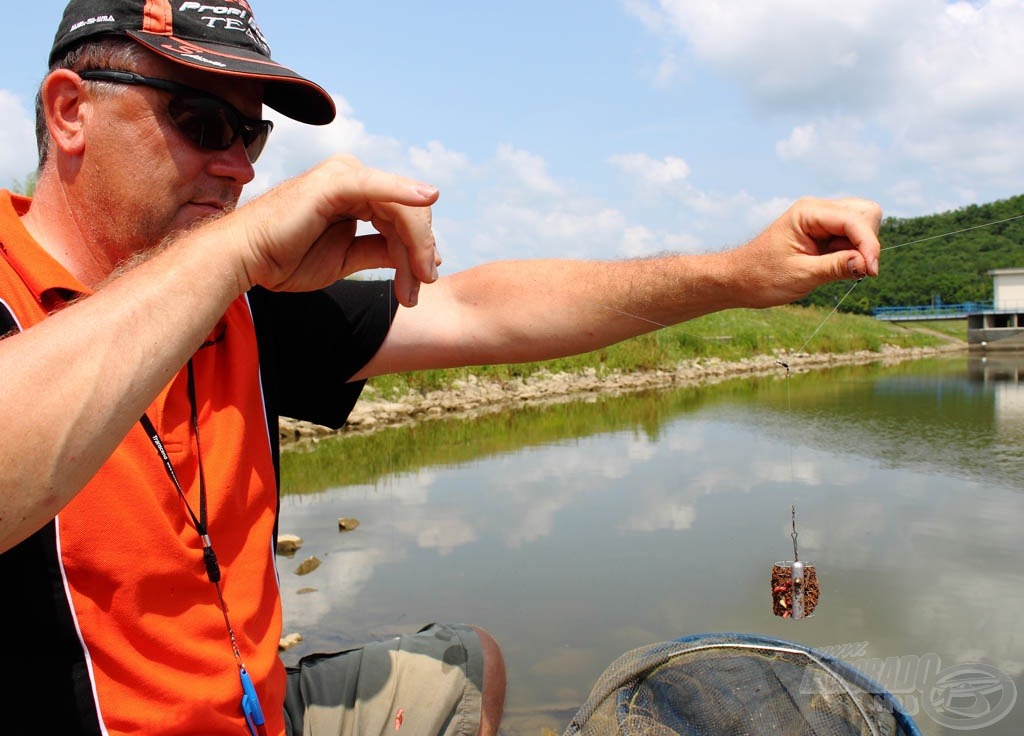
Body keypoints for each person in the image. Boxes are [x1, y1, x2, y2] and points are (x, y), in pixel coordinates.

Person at [0, 1, 883, 735]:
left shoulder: (241, 301)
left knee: (467, 668)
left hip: (259, 708)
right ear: (71, 110)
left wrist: (736, 275)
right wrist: (236, 250)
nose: (236, 169)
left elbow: (476, 309)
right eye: (200, 123)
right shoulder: (131, 280)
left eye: (252, 137)